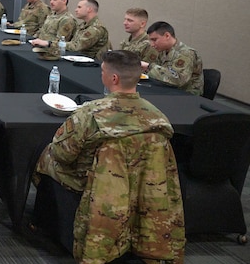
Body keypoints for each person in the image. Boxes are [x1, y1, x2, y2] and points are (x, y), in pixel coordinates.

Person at [34, 50, 174, 192]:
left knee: (43, 153)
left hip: (91, 183)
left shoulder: (88, 114)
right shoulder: (159, 117)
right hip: (143, 185)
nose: (101, 74)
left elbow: (62, 155)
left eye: (102, 71)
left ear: (114, 79)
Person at [32, 0, 109, 59]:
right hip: (77, 58)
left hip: (90, 64)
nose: (76, 10)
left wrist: (49, 43)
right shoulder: (83, 25)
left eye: (79, 7)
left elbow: (76, 47)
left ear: (89, 9)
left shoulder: (96, 28)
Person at [141, 22, 204, 95]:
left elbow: (178, 80)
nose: (152, 44)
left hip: (186, 95)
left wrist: (149, 67)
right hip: (167, 89)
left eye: (154, 40)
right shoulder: (162, 50)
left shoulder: (186, 53)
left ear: (167, 36)